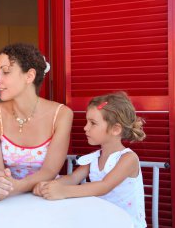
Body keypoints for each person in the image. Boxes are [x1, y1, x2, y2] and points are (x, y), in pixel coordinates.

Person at [33, 92, 147, 228]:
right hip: (102, 220)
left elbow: (104, 186)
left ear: (116, 129)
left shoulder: (128, 159)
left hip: (127, 223)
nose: (85, 128)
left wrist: (63, 191)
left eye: (93, 123)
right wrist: (48, 185)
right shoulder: (95, 158)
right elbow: (73, 178)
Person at [0, 43, 73, 201]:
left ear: (29, 76)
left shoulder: (62, 114)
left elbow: (49, 171)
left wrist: (13, 188)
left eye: (6, 72)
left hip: (45, 198)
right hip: (7, 200)